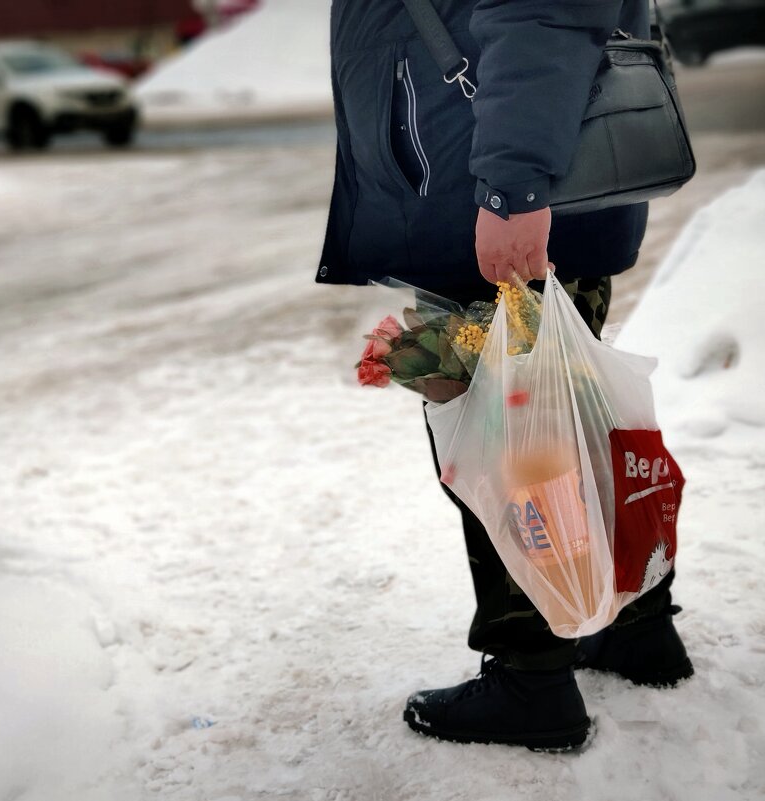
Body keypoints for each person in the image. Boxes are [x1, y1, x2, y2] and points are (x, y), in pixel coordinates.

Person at [316, 0, 693, 751]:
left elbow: (541, 16)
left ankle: (532, 677)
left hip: (491, 192)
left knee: (510, 448)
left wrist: (512, 188)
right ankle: (634, 630)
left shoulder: (507, 186)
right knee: (572, 418)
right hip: (523, 177)